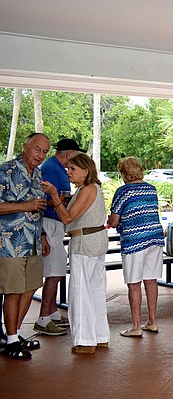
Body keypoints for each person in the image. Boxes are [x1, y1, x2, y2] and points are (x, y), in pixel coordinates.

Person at [41, 154, 109, 354]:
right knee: (95, 290)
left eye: (73, 169)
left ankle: (85, 341)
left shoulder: (87, 190)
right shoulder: (90, 189)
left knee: (80, 292)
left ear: (85, 171)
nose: (68, 172)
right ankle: (99, 336)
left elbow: (68, 218)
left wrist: (54, 196)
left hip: (84, 243)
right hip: (94, 241)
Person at [0, 133, 51, 360]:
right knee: (13, 290)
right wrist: (26, 205)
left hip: (33, 242)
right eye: (37, 149)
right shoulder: (6, 170)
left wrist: (42, 235)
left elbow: (38, 210)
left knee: (30, 287)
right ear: (25, 147)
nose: (40, 155)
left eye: (45, 152)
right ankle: (10, 339)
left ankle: (15, 334)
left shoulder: (38, 174)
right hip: (10, 242)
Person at [108, 157, 164, 338]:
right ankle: (152, 321)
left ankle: (136, 325)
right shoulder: (151, 189)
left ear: (124, 173)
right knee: (151, 280)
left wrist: (112, 221)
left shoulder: (123, 191)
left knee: (134, 284)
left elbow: (114, 220)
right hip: (155, 238)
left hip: (134, 240)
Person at [36, 137, 85, 336]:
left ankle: (53, 312)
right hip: (50, 222)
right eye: (75, 155)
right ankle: (43, 317)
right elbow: (40, 200)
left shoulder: (57, 168)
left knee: (57, 269)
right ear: (68, 153)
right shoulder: (51, 168)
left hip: (58, 222)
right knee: (53, 271)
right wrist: (59, 201)